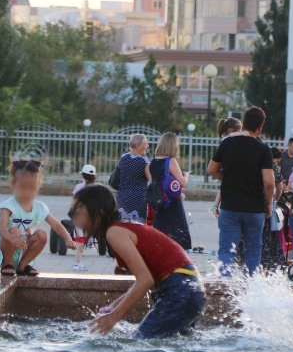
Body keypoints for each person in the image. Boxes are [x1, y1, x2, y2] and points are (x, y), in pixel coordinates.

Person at [72, 185, 206, 338]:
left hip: (179, 291)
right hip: (190, 289)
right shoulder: (122, 227)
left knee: (141, 344)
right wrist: (113, 307)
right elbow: (145, 280)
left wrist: (115, 316)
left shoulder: (114, 232)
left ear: (98, 214)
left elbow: (145, 280)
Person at [207, 106, 275, 276]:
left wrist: (230, 179)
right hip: (254, 208)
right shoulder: (263, 149)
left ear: (243, 123)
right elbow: (269, 182)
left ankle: (224, 291)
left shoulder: (228, 143)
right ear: (260, 127)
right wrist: (269, 204)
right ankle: (252, 290)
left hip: (229, 207)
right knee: (252, 252)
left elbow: (212, 170)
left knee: (227, 250)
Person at [0, 160, 76, 277]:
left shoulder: (40, 207)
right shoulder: (8, 206)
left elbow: (56, 225)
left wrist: (68, 239)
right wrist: (12, 238)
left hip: (25, 247)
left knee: (42, 235)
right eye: (23, 187)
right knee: (14, 231)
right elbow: (1, 229)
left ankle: (23, 265)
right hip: (6, 245)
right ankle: (8, 264)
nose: (27, 192)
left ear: (38, 185)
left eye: (32, 188)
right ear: (13, 184)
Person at [146, 132, 192, 251]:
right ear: (173, 146)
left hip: (158, 201)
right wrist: (186, 176)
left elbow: (151, 182)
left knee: (161, 230)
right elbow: (182, 182)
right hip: (171, 203)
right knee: (175, 231)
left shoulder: (152, 162)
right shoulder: (170, 161)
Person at [260, 148, 287, 272]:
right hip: (265, 207)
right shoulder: (270, 164)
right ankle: (265, 268)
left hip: (249, 205)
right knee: (267, 240)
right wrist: (274, 200)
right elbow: (278, 186)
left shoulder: (253, 160)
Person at [210, 118, 242, 219]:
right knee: (224, 185)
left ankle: (215, 205)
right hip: (229, 170)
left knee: (223, 186)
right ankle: (215, 206)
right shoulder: (229, 142)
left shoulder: (225, 141)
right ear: (232, 131)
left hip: (226, 170)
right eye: (239, 131)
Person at [114, 134, 150, 222]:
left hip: (122, 196)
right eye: (145, 144)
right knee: (137, 227)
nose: (147, 146)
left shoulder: (123, 158)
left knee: (122, 224)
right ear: (137, 146)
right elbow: (151, 180)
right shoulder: (144, 161)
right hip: (138, 198)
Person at [69, 164, 98, 272]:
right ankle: (90, 241)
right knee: (85, 237)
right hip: (91, 216)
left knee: (80, 239)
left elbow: (74, 202)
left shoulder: (78, 187)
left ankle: (77, 262)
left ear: (83, 176)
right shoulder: (97, 187)